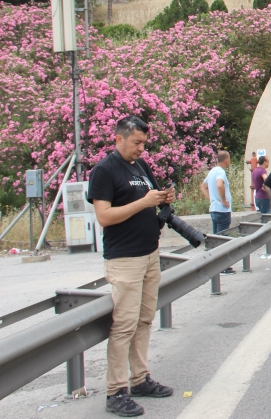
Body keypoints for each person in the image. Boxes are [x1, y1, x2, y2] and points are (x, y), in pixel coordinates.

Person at [87, 116, 175, 417]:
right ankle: (116, 390)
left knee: (145, 321)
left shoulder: (141, 167)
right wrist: (144, 202)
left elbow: (149, 198)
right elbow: (105, 216)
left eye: (144, 143)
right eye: (136, 142)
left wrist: (162, 198)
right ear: (118, 139)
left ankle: (140, 379)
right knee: (124, 325)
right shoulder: (104, 170)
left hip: (150, 254)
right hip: (124, 259)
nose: (141, 148)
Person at [201, 150, 236, 276]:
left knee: (216, 238)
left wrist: (211, 199)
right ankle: (223, 267)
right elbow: (220, 185)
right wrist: (223, 200)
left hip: (214, 209)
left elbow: (203, 186)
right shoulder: (221, 171)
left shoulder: (212, 171)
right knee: (222, 238)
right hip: (222, 210)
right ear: (226, 160)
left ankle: (216, 264)